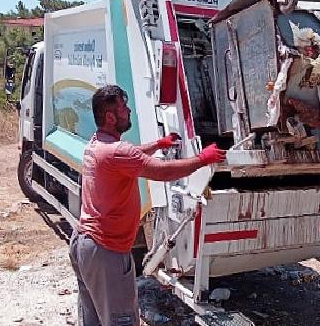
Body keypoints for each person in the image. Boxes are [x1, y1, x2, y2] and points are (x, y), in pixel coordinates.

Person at [69, 85, 226, 326]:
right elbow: (159, 171)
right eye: (123, 108)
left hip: (84, 247)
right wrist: (202, 159)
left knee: (94, 320)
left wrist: (158, 144)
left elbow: (132, 155)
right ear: (110, 117)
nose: (129, 111)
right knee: (121, 321)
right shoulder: (117, 152)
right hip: (106, 252)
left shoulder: (97, 144)